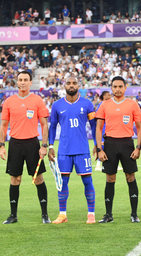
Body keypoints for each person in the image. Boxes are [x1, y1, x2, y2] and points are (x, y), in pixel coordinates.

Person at [0, 70, 51, 224]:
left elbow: (44, 125)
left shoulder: (37, 100)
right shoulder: (9, 101)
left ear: (30, 82)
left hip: (32, 144)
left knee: (38, 179)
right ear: (17, 81)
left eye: (25, 80)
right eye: (20, 79)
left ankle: (45, 215)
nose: (22, 82)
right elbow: (3, 125)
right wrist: (2, 146)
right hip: (15, 143)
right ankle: (13, 216)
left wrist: (44, 145)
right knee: (15, 179)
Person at [48, 77, 97, 224]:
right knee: (62, 182)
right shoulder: (57, 105)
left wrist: (96, 144)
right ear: (64, 85)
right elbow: (52, 127)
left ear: (78, 85)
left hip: (82, 149)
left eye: (74, 83)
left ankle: (91, 214)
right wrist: (50, 146)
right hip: (64, 150)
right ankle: (62, 214)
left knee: (87, 180)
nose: (71, 85)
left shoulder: (87, 104)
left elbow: (94, 126)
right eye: (68, 83)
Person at [95, 76, 141, 223]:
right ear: (111, 87)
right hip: (110, 144)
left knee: (131, 177)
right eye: (114, 86)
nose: (117, 89)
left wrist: (138, 147)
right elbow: (98, 128)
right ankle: (108, 215)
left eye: (120, 86)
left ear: (125, 87)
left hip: (127, 144)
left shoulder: (132, 104)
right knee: (110, 178)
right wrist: (99, 149)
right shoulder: (104, 105)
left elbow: (140, 128)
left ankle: (134, 214)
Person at [94, 91, 111, 171]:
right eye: (107, 95)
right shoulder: (102, 104)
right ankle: (98, 164)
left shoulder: (110, 104)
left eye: (110, 95)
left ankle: (111, 163)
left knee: (110, 147)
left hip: (109, 129)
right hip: (103, 129)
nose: (109, 96)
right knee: (102, 147)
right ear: (103, 96)